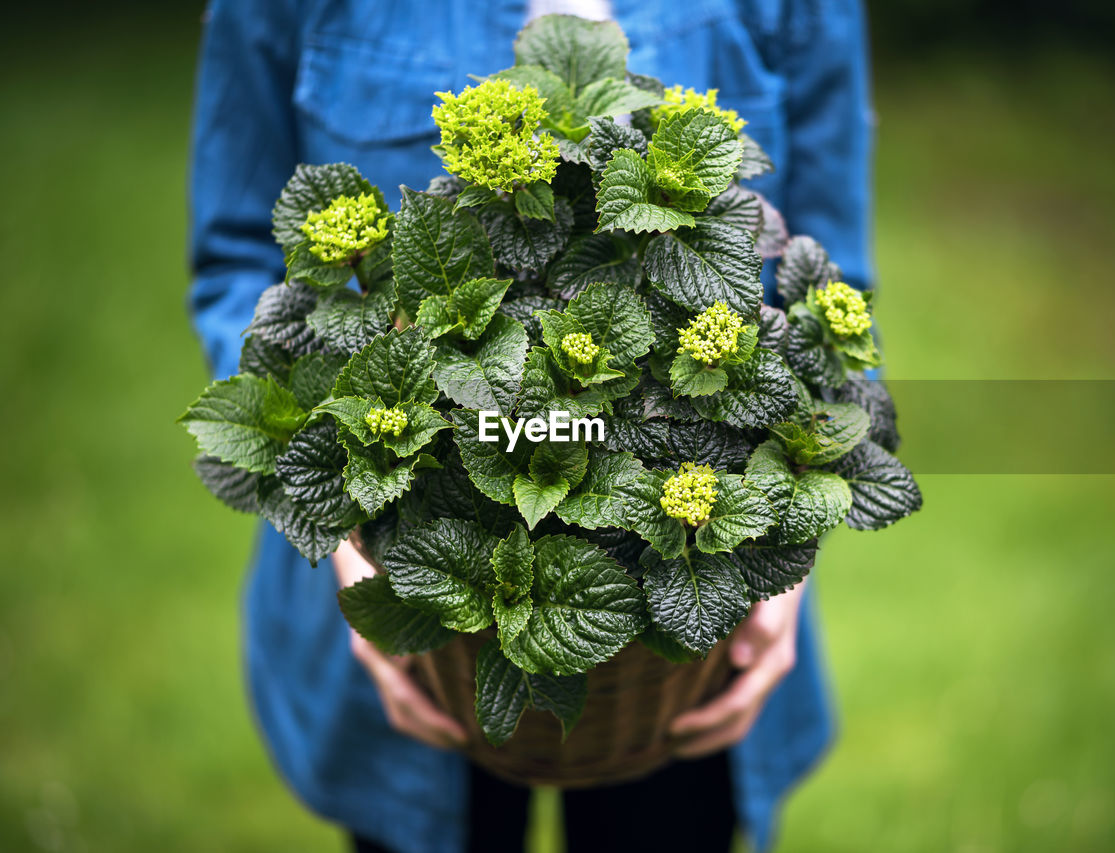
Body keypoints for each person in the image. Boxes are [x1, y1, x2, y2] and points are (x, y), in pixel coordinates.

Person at [188, 1, 875, 850]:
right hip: (386, 629)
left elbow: (833, 296)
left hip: (700, 653)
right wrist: (348, 533)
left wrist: (778, 557)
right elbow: (235, 264)